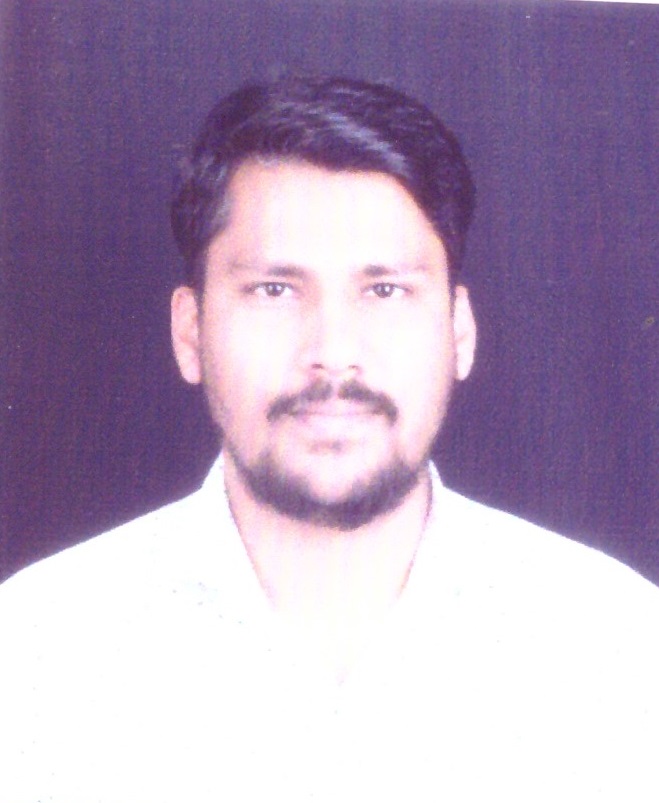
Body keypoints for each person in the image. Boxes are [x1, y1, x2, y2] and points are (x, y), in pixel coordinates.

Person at [1, 76, 657, 802]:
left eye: (385, 291)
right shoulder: (35, 656)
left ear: (459, 330)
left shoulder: (616, 649)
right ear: (190, 333)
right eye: (274, 290)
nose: (335, 354)